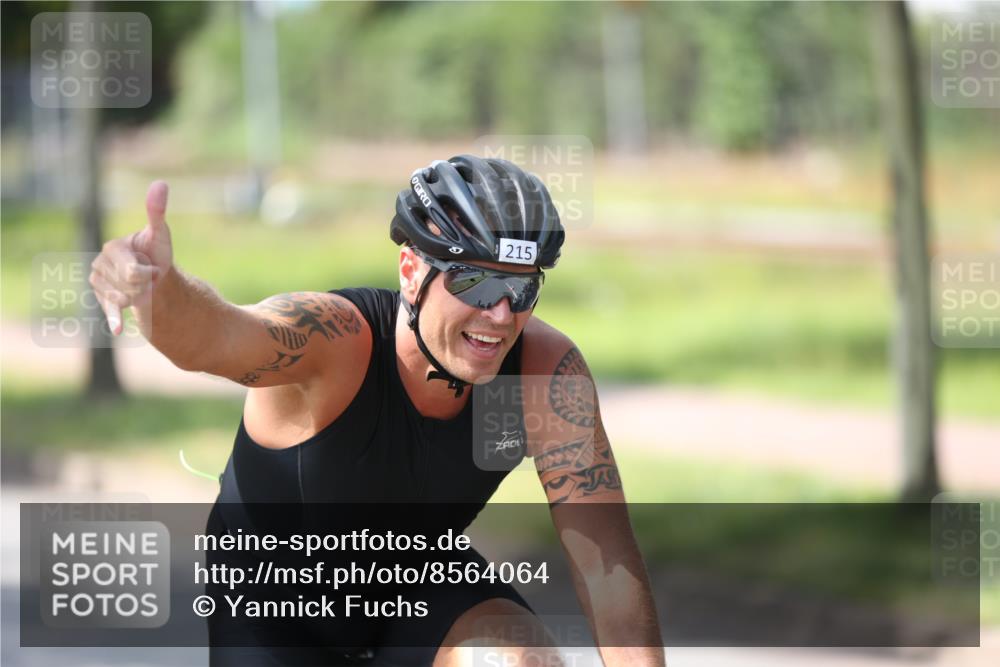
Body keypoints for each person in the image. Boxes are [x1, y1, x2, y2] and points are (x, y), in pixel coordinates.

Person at [89, 155, 665, 666]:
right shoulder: (336, 340)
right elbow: (217, 337)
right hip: (271, 606)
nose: (500, 317)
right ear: (412, 272)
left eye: (521, 291)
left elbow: (605, 564)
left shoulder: (544, 372)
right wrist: (158, 293)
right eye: (477, 283)